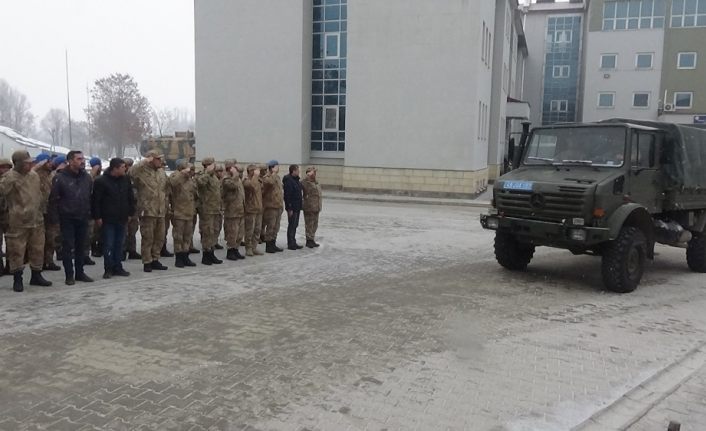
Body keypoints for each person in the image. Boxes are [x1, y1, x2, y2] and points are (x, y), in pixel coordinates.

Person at [0, 151, 53, 291]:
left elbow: (39, 194)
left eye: (31, 162)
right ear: (17, 163)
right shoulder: (9, 177)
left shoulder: (34, 176)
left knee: (37, 249)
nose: (30, 165)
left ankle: (36, 275)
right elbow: (2, 192)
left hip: (36, 220)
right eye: (26, 163)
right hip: (17, 222)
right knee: (16, 251)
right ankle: (18, 279)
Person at [49, 150, 95, 285]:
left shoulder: (86, 177)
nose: (82, 161)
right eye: (79, 159)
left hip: (82, 216)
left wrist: (90, 213)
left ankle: (80, 272)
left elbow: (90, 196)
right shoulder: (60, 178)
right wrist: (55, 220)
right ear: (70, 161)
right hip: (67, 218)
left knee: (81, 246)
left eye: (83, 158)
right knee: (68, 247)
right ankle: (69, 275)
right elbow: (53, 200)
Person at [92, 158, 135, 279]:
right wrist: (97, 217)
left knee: (119, 244)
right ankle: (108, 268)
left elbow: (130, 197)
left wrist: (130, 212)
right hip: (108, 219)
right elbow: (96, 201)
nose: (125, 169)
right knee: (108, 245)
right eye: (122, 167)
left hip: (122, 217)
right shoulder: (101, 181)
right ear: (115, 168)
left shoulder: (125, 179)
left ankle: (118, 266)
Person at [130, 150, 169, 272]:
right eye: (157, 159)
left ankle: (155, 259)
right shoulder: (141, 172)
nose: (160, 161)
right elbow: (131, 173)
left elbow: (167, 187)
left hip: (160, 210)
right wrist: (144, 161)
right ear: (151, 159)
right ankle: (147, 261)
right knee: (148, 237)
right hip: (147, 210)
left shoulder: (161, 172)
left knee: (160, 237)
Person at [33, 154, 61, 271]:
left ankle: (48, 261)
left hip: (50, 210)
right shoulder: (34, 176)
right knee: (39, 241)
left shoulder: (51, 175)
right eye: (48, 161)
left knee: (51, 238)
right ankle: (39, 263)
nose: (51, 163)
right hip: (38, 211)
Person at [169, 159, 198, 268]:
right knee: (178, 236)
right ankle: (179, 258)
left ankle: (186, 255)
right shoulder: (175, 176)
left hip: (189, 211)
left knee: (187, 236)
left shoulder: (190, 179)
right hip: (179, 212)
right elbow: (173, 184)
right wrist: (182, 175)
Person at [196, 157, 223, 265]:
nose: (214, 166)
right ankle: (206, 255)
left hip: (215, 209)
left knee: (213, 232)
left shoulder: (214, 177)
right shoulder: (202, 175)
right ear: (207, 165)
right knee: (207, 232)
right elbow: (201, 183)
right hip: (206, 209)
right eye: (212, 164)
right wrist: (207, 172)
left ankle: (211, 253)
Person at [221, 160, 246, 261]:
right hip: (232, 211)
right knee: (232, 233)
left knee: (239, 233)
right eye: (234, 167)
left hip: (240, 210)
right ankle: (230, 251)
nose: (237, 169)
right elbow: (232, 186)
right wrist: (235, 175)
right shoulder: (226, 179)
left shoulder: (237, 179)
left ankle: (236, 249)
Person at [262, 160, 284, 253]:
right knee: (270, 226)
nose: (278, 168)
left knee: (276, 226)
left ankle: (273, 243)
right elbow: (269, 183)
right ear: (272, 167)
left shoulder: (277, 177)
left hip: (278, 205)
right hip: (270, 206)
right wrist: (273, 174)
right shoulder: (267, 177)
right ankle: (268, 245)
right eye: (276, 166)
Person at [243, 164, 264, 256]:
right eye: (254, 170)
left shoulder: (258, 180)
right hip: (250, 209)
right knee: (249, 230)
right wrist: (255, 176)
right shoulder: (246, 181)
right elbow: (252, 187)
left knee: (257, 229)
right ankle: (248, 248)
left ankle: (254, 247)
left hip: (258, 208)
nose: (257, 172)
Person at [123, 158, 141, 260]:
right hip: (124, 208)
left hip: (134, 207)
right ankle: (122, 250)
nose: (129, 167)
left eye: (131, 165)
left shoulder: (134, 178)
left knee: (133, 230)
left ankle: (132, 250)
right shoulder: (121, 178)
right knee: (124, 230)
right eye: (127, 165)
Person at [282, 164, 303, 250]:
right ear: (293, 171)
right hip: (292, 207)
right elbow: (287, 196)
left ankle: (293, 241)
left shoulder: (296, 180)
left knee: (295, 225)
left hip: (297, 206)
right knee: (292, 225)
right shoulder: (289, 181)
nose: (299, 172)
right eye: (297, 170)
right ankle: (290, 243)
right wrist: (289, 208)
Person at [301, 166, 322, 248]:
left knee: (315, 224)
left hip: (316, 207)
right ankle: (308, 240)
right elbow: (302, 183)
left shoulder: (316, 182)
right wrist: (308, 175)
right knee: (309, 224)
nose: (315, 174)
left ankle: (312, 239)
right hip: (309, 207)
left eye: (315, 172)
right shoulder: (305, 182)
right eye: (313, 172)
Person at [0, 158, 12, 276]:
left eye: (7, 167)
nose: (5, 170)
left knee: (11, 243)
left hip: (9, 215)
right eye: (2, 167)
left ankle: (10, 266)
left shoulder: (12, 180)